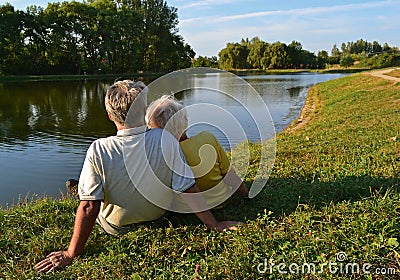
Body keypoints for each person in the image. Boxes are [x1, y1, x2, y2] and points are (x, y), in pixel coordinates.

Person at [34, 80, 239, 273]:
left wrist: (71, 253)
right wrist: (214, 225)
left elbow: (89, 208)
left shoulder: (99, 149)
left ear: (110, 115)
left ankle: (84, 190)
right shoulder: (165, 139)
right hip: (159, 217)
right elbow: (187, 188)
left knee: (88, 200)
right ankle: (84, 189)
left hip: (116, 228)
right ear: (143, 111)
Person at [145, 95, 249, 209]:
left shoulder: (162, 153)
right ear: (185, 120)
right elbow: (229, 175)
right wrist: (246, 196)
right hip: (220, 201)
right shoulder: (207, 138)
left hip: (185, 208)